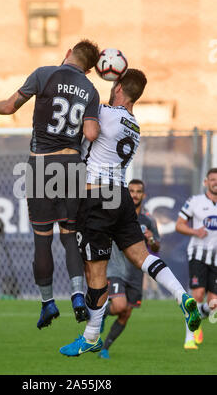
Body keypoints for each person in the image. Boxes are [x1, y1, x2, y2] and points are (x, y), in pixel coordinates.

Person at [59, 68, 201, 357]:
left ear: (120, 86)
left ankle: (91, 336)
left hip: (97, 195)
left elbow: (79, 115)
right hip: (120, 195)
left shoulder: (105, 113)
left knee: (94, 268)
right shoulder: (134, 126)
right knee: (141, 256)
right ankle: (182, 296)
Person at [0, 40, 101, 328]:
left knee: (42, 239)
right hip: (72, 165)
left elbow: (8, 107)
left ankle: (48, 303)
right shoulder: (91, 90)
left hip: (41, 165)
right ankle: (78, 296)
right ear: (89, 69)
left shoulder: (44, 74)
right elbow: (91, 133)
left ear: (68, 53)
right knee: (69, 236)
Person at [98, 179, 161, 359]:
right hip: (116, 269)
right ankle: (101, 313)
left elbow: (156, 247)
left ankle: (105, 348)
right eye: (131, 191)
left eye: (138, 191)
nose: (134, 194)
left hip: (135, 273)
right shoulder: (118, 215)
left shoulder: (148, 220)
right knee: (119, 306)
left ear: (144, 195)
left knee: (125, 314)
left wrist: (150, 240)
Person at [176, 167, 217, 349]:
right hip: (198, 253)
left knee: (213, 304)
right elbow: (179, 225)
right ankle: (189, 339)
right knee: (198, 293)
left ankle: (199, 313)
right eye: (212, 179)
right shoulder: (195, 201)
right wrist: (194, 231)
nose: (215, 182)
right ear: (206, 182)